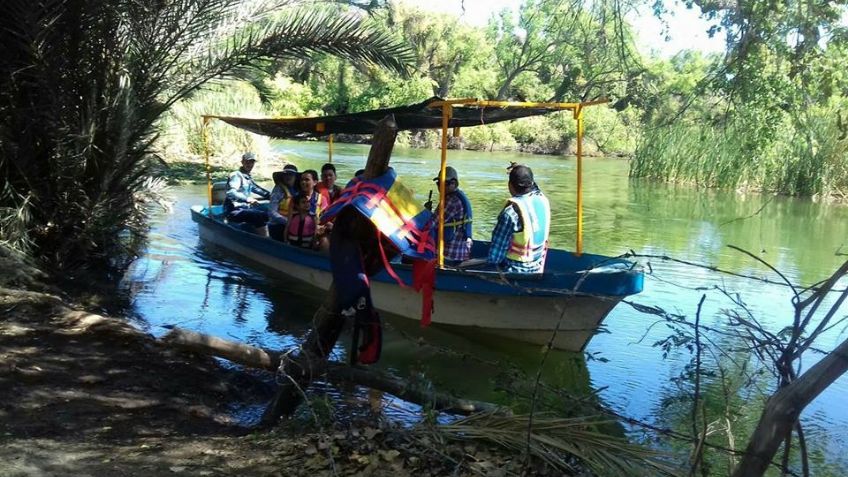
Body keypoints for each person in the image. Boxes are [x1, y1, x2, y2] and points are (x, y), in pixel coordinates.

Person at [486, 164, 551, 273]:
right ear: (531, 183)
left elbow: (496, 255)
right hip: (538, 265)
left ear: (510, 185)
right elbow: (535, 187)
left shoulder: (511, 212)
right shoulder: (542, 199)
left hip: (516, 269)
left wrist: (489, 265)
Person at [429, 166, 472, 263]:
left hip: (450, 255)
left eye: (446, 183)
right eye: (439, 183)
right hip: (462, 251)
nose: (441, 187)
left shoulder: (451, 201)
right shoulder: (459, 195)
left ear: (454, 183)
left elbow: (431, 224)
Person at [224, 152, 270, 228]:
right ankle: (264, 235)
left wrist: (271, 196)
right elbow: (231, 192)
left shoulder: (247, 177)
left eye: (252, 162)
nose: (250, 164)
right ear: (242, 162)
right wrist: (247, 199)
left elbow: (257, 189)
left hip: (246, 208)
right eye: (247, 162)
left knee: (269, 211)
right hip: (234, 210)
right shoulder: (236, 175)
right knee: (258, 215)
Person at [267, 164, 299, 241]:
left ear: (295, 177)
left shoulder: (298, 190)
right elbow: (272, 212)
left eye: (291, 174)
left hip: (294, 224)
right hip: (278, 224)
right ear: (282, 176)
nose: (288, 177)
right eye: (286, 174)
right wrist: (288, 222)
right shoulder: (278, 190)